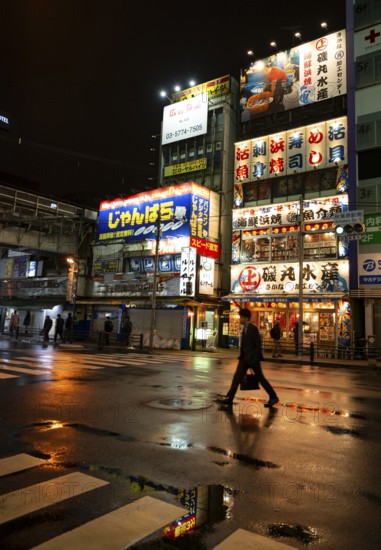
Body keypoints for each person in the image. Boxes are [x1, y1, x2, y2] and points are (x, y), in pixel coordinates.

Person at [217, 308, 279, 407]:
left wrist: (255, 358)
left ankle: (273, 397)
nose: (239, 319)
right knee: (236, 378)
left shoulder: (253, 329)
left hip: (252, 359)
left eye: (241, 317)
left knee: (261, 378)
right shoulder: (245, 328)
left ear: (246, 318)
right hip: (244, 358)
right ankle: (230, 398)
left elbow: (258, 345)